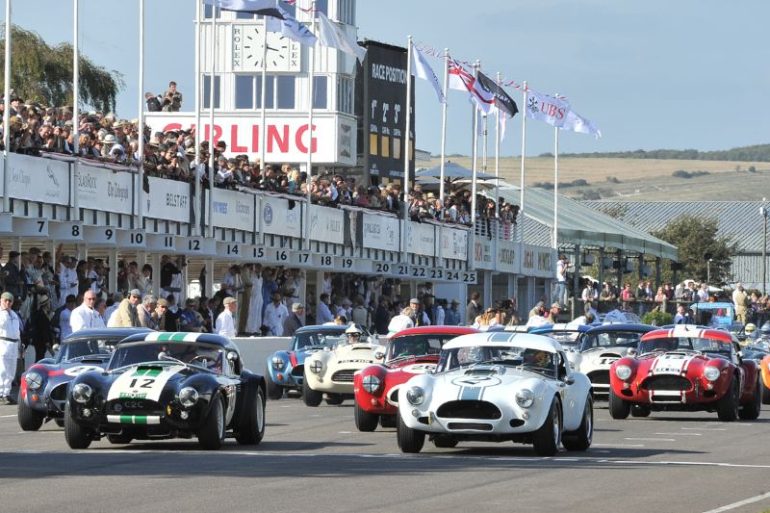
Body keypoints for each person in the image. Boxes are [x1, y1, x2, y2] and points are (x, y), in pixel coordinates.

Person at [0, 292, 22, 404]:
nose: (7, 303)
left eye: (10, 301)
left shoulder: (13, 314)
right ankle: (0, 394)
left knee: (11, 371)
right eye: (5, 300)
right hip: (3, 342)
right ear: (1, 301)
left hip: (13, 344)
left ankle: (7, 393)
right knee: (2, 370)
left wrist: (19, 345)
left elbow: (17, 331)